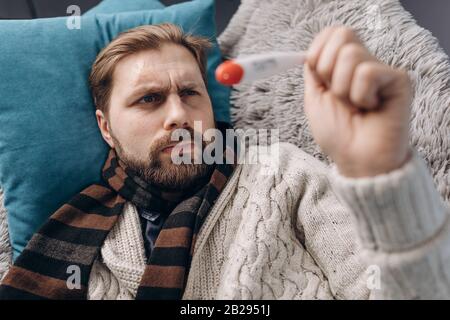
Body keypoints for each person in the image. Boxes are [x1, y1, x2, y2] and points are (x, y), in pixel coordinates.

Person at [1, 23, 449, 300]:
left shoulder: (283, 172)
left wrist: (385, 174)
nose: (178, 115)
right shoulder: (82, 237)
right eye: (149, 99)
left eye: (190, 93)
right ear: (106, 128)